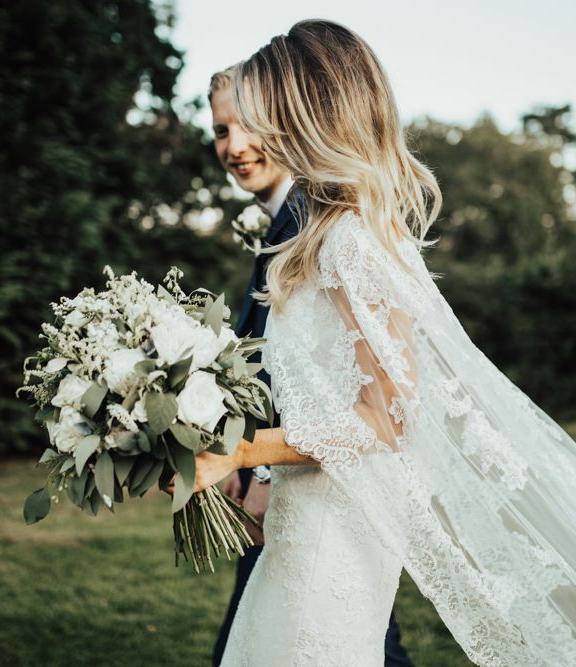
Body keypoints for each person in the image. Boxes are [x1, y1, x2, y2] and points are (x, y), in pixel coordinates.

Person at [195, 20, 576, 667]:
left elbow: (387, 413)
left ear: (303, 111)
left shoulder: (351, 238)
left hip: (331, 543)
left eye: (262, 109)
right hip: (296, 523)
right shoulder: (316, 237)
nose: (250, 129)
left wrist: (243, 449)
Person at [208, 65, 414, 667]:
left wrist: (254, 465)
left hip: (316, 486)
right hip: (299, 485)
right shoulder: (292, 224)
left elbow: (384, 405)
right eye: (221, 130)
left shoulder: (332, 227)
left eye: (249, 124)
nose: (236, 144)